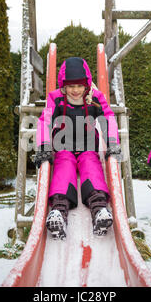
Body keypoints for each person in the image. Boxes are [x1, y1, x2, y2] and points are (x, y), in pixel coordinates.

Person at [34, 57, 121, 239]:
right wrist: (44, 146)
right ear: (63, 86)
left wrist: (112, 143)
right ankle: (59, 211)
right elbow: (45, 120)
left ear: (87, 85)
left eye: (80, 86)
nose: (75, 90)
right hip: (64, 146)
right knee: (63, 167)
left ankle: (99, 210)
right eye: (71, 86)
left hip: (88, 146)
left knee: (91, 165)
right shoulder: (56, 98)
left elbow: (108, 118)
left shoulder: (95, 98)